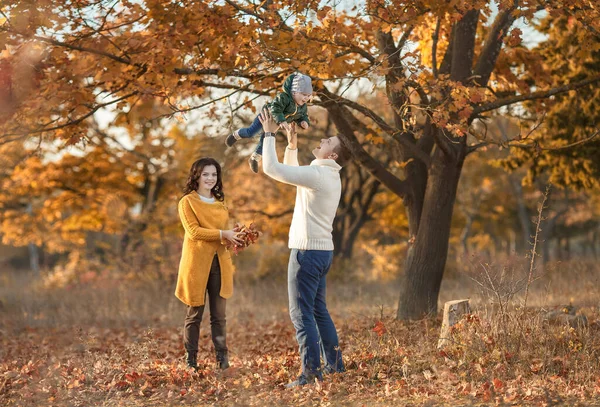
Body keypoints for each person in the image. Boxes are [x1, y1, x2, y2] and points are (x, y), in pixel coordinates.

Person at [257, 109, 352, 387]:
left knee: (301, 314)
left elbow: (273, 170)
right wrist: (292, 144)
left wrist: (269, 133)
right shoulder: (327, 176)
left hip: (307, 253)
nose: (322, 140)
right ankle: (335, 367)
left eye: (327, 142)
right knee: (319, 311)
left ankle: (310, 374)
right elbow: (293, 174)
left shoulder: (318, 175)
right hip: (322, 252)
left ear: (331, 155)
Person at [175, 157, 243, 370]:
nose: (210, 178)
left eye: (214, 174)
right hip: (196, 265)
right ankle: (190, 361)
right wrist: (223, 233)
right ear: (196, 175)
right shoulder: (187, 202)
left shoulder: (221, 203)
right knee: (194, 315)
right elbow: (194, 232)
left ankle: (222, 361)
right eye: (206, 174)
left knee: (219, 317)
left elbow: (223, 236)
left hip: (220, 264)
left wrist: (237, 237)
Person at [225, 72, 312, 174]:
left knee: (266, 140)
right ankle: (236, 135)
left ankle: (254, 158)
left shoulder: (302, 106)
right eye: (303, 94)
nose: (306, 98)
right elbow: (275, 108)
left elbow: (302, 115)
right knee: (251, 132)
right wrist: (281, 120)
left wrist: (303, 121)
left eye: (308, 95)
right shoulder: (283, 97)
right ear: (294, 92)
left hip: (275, 124)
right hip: (267, 116)